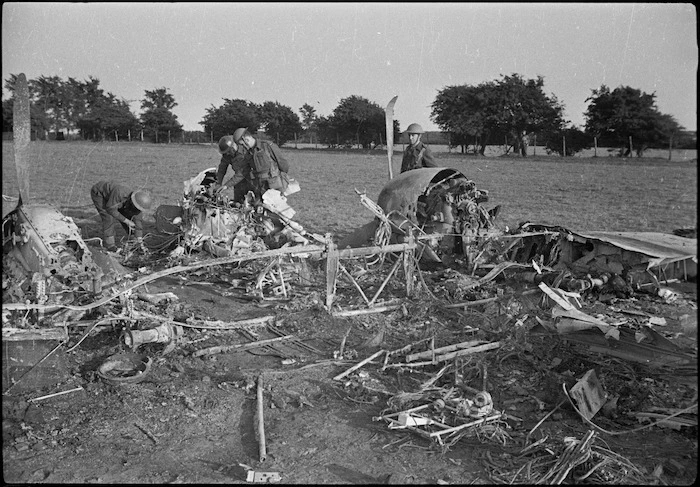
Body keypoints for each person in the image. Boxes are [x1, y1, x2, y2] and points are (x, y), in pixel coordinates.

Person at [90, 181, 152, 251]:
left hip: (115, 200)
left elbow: (138, 223)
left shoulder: (138, 205)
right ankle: (110, 245)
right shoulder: (120, 193)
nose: (137, 210)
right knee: (108, 218)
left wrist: (140, 241)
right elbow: (111, 209)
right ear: (132, 202)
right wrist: (127, 221)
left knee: (127, 215)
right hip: (100, 194)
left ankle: (134, 242)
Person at [232, 128, 291, 196]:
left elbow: (283, 165)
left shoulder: (268, 146)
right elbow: (243, 172)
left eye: (242, 144)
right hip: (260, 188)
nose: (242, 147)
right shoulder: (248, 154)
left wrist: (280, 179)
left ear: (245, 139)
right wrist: (226, 186)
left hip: (275, 187)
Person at [211, 135, 255, 203]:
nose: (227, 154)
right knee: (237, 203)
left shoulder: (244, 152)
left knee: (253, 203)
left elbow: (241, 173)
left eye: (228, 152)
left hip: (251, 179)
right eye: (226, 153)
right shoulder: (227, 155)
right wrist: (218, 183)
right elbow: (221, 170)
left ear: (233, 147)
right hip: (238, 181)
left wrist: (226, 185)